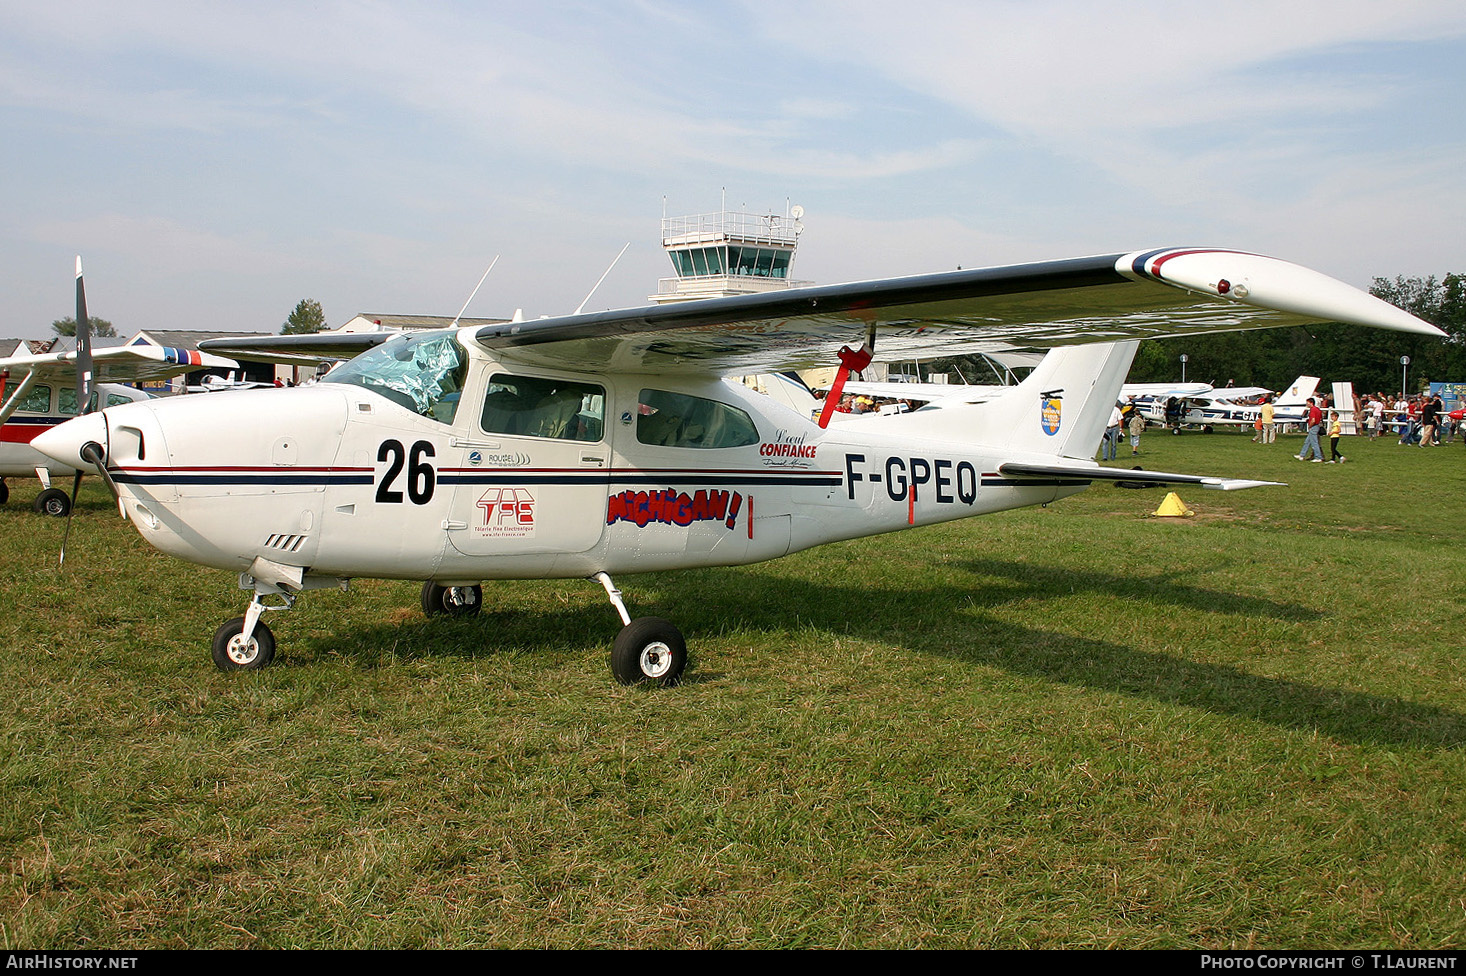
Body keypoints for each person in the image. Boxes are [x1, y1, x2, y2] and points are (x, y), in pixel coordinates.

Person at [1297, 396, 1325, 462]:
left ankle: (1318, 457)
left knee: (1314, 442)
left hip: (1314, 426)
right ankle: (1302, 455)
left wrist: (1310, 426)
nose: (1307, 404)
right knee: (1307, 442)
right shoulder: (1317, 409)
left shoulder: (1313, 409)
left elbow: (1313, 420)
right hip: (1317, 425)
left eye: (1307, 403)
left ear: (1311, 403)